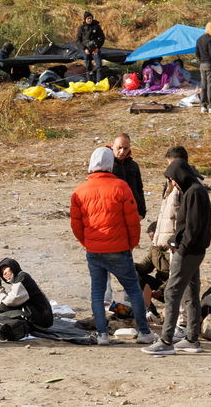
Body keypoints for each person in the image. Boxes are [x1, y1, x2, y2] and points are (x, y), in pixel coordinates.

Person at [69, 146, 155, 346]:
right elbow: (132, 221)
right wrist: (131, 244)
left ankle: (102, 335)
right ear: (110, 165)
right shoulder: (121, 187)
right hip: (119, 249)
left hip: (94, 250)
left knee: (97, 293)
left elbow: (76, 224)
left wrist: (87, 243)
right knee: (133, 290)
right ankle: (143, 331)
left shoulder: (80, 190)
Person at [142, 152, 211, 355]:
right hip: (191, 250)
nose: (172, 183)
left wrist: (179, 247)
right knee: (190, 294)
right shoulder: (192, 190)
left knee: (172, 293)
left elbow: (192, 228)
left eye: (172, 179)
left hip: (188, 252)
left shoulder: (194, 192)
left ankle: (166, 340)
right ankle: (191, 339)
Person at [0, 257, 55, 329]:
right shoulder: (18, 280)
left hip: (42, 319)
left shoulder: (22, 278)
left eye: (5, 268)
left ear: (13, 267)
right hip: (38, 315)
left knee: (3, 308)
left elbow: (11, 300)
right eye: (2, 272)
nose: (4, 273)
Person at [110, 133, 146, 220]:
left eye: (125, 148)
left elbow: (139, 189)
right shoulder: (106, 165)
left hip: (133, 212)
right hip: (114, 213)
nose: (122, 151)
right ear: (112, 146)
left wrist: (142, 212)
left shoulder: (133, 165)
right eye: (119, 147)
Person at [194, 24, 211, 115]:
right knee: (210, 85)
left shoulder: (199, 39)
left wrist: (201, 60)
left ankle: (203, 106)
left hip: (202, 65)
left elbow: (197, 53)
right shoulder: (210, 40)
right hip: (210, 64)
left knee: (203, 85)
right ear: (210, 29)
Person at [77, 11, 107, 82]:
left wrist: (97, 48)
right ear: (85, 19)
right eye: (88, 18)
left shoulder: (96, 27)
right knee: (88, 66)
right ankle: (89, 81)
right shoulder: (81, 28)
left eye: (90, 18)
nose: (89, 20)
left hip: (95, 48)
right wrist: (84, 49)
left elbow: (102, 38)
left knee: (99, 65)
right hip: (85, 48)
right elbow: (78, 41)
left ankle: (98, 82)